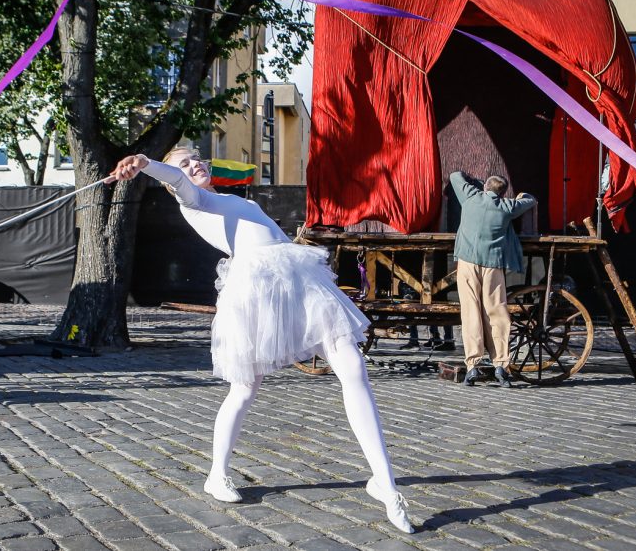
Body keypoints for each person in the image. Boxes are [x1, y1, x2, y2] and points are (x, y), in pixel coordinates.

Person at [111, 148, 414, 534]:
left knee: (353, 368)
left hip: (298, 282)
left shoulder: (232, 198)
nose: (194, 166)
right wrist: (146, 163)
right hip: (256, 294)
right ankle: (216, 474)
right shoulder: (194, 200)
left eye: (196, 159)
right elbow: (179, 182)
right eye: (183, 164)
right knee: (244, 387)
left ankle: (384, 483)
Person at [450, 171, 535, 387]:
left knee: (471, 312)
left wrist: (473, 179)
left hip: (467, 264)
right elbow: (531, 200)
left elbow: (454, 175)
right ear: (502, 192)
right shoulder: (507, 207)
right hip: (493, 266)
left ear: (485, 188)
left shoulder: (470, 197)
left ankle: (472, 365)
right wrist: (520, 196)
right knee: (497, 311)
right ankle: (501, 363)